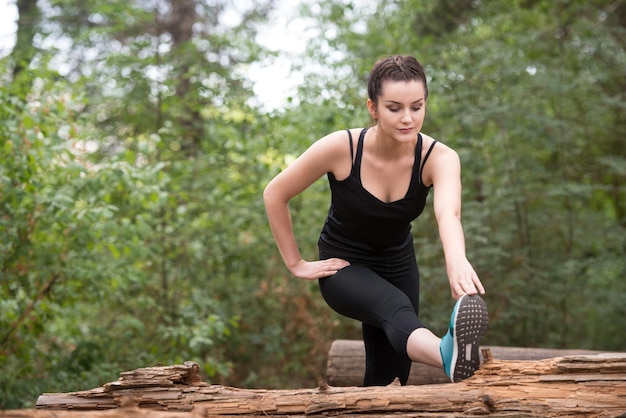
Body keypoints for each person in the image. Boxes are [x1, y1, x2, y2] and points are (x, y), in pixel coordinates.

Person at [263, 54, 488, 385]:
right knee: (393, 306)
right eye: (394, 108)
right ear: (373, 108)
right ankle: (446, 353)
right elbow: (275, 193)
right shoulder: (343, 148)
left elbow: (448, 213)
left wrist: (456, 259)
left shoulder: (439, 158)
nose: (407, 118)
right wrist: (296, 263)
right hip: (344, 265)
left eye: (417, 106)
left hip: (398, 264)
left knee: (391, 378)